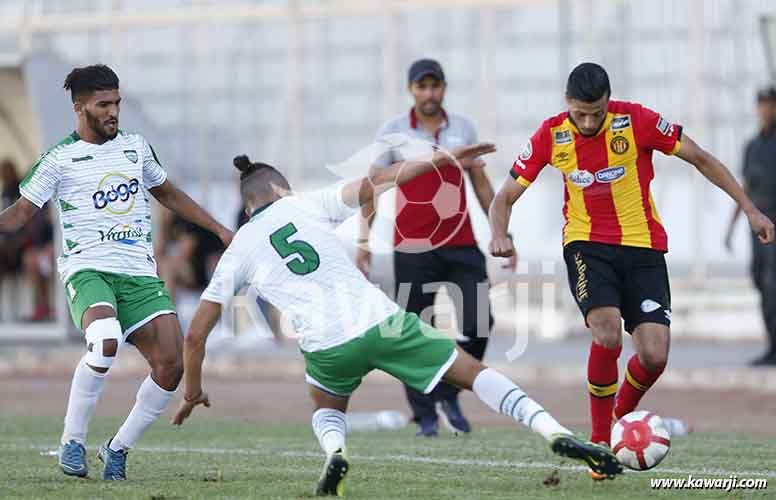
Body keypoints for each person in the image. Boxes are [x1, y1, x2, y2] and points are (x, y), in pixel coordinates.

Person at [171, 149, 623, 497]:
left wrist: (191, 390)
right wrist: (445, 158)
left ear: (248, 208)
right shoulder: (307, 204)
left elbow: (195, 334)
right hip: (382, 323)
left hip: (327, 346)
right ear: (281, 191)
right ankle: (554, 430)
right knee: (474, 373)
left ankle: (336, 452)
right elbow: (383, 178)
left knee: (327, 408)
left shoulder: (240, 249)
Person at [489, 62, 775, 479]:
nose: (588, 122)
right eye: (580, 113)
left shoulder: (637, 120)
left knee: (655, 356)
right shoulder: (551, 135)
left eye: (597, 112)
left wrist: (750, 209)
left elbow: (700, 158)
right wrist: (501, 234)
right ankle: (601, 445)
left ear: (609, 102)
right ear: (567, 103)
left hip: (643, 248)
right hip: (587, 246)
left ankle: (622, 413)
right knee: (606, 334)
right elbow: (504, 197)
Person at [0, 64, 233, 480]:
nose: (113, 112)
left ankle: (117, 448)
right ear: (79, 107)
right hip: (88, 271)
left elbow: (168, 193)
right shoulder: (58, 159)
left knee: (172, 365)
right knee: (105, 341)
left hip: (139, 275)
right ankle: (72, 442)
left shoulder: (136, 148)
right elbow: (20, 213)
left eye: (117, 104)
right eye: (103, 104)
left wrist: (217, 228)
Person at [357, 59, 515, 437]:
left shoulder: (462, 128)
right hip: (412, 249)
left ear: (444, 88)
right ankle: (425, 414)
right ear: (411, 90)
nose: (429, 93)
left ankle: (448, 391)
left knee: (479, 322)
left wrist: (503, 234)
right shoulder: (393, 132)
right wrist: (364, 239)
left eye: (435, 86)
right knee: (415, 331)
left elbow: (481, 185)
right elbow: (374, 185)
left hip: (461, 243)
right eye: (421, 86)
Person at [724, 86, 776, 366]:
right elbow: (745, 188)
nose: (765, 111)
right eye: (762, 105)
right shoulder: (753, 147)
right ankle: (772, 346)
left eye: (770, 105)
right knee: (761, 281)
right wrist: (730, 227)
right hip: (756, 226)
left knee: (772, 285)